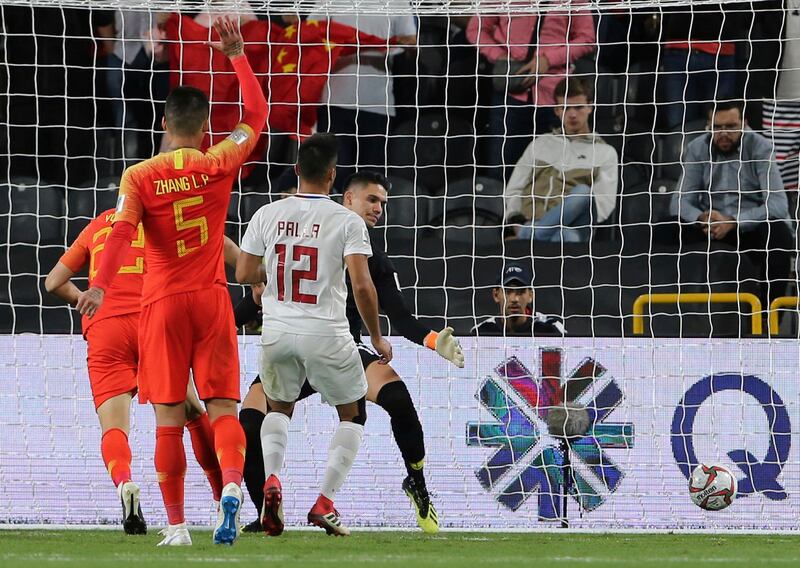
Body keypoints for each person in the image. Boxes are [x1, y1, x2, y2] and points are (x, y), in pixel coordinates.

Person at [76, 16, 267, 547]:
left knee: (167, 418)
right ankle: (230, 488)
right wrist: (236, 55)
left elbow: (117, 237)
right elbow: (256, 114)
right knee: (222, 408)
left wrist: (101, 285)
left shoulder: (139, 176)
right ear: (205, 127)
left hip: (160, 305)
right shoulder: (220, 159)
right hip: (211, 299)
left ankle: (178, 525)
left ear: (163, 122)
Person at [237, 171, 464, 535]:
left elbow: (400, 315)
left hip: (336, 346)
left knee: (398, 399)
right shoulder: (295, 238)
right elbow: (246, 306)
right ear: (347, 198)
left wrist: (434, 340)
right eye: (372, 200)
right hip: (302, 347)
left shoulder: (369, 253)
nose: (378, 209)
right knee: (249, 420)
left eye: (383, 204)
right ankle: (264, 509)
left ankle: (416, 482)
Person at [235, 134, 393, 537]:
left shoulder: (267, 214)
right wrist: (376, 337)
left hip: (277, 330)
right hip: (326, 332)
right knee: (353, 413)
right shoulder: (347, 221)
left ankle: (272, 480)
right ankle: (324, 502)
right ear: (332, 176)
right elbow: (362, 286)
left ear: (297, 171)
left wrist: (267, 277)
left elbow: (242, 273)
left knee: (278, 409)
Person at [44, 209, 235, 536]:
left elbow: (53, 282)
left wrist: (83, 299)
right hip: (153, 318)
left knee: (114, 426)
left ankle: (125, 483)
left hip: (105, 326)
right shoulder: (163, 219)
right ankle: (221, 498)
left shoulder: (96, 226)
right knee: (188, 410)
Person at [670, 99, 793, 309]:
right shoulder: (697, 148)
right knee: (667, 227)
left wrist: (734, 221)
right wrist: (703, 218)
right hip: (711, 227)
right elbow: (679, 202)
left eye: (731, 127)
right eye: (717, 127)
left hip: (748, 228)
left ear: (744, 123)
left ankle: (767, 318)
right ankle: (675, 313)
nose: (723, 134)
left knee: (779, 233)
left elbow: (778, 205)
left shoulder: (761, 147)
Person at [466, 5, 596, 180]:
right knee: (500, 173)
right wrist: (499, 57)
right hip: (510, 95)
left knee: (551, 176)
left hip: (553, 99)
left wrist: (549, 59)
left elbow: (587, 38)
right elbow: (476, 29)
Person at [309, 1, 417, 188]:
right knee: (333, 178)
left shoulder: (399, 2)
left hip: (377, 106)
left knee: (370, 182)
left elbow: (412, 45)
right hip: (335, 103)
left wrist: (405, 45)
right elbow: (309, 34)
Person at [504, 77, 618, 242]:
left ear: (589, 107)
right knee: (564, 238)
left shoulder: (605, 152)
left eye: (578, 107)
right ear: (557, 110)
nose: (572, 114)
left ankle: (528, 236)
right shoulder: (540, 143)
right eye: (565, 108)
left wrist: (561, 220)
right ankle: (537, 233)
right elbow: (514, 188)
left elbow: (602, 205)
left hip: (575, 226)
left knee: (583, 193)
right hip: (533, 221)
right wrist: (515, 218)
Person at [472, 261, 566, 336]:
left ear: (530, 295)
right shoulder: (481, 332)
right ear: (496, 295)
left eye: (520, 292)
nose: (514, 299)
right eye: (508, 292)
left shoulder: (551, 329)